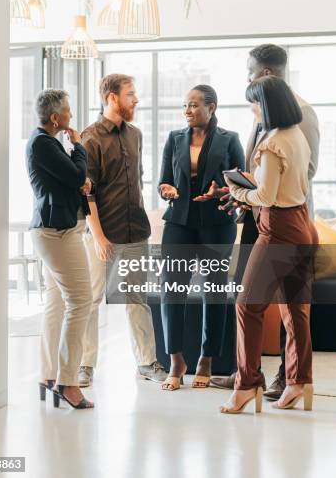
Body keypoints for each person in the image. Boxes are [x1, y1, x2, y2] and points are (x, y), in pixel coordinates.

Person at [212, 44, 320, 400]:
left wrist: (243, 193)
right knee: (294, 310)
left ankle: (248, 383)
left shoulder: (280, 136)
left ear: (267, 81)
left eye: (252, 96)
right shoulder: (290, 133)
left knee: (246, 304)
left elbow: (271, 192)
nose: (251, 104)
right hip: (298, 220)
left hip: (277, 222)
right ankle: (298, 381)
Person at [78, 74, 167, 387]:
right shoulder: (90, 139)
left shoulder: (136, 135)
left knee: (137, 299)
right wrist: (99, 237)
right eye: (131, 94)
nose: (136, 99)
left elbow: (137, 183)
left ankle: (147, 362)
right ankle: (84, 365)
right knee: (91, 300)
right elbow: (86, 193)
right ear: (112, 97)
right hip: (103, 235)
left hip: (136, 232)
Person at [158, 85, 245, 391]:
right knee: (172, 291)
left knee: (215, 291)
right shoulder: (174, 138)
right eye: (185, 105)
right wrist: (166, 189)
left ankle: (206, 359)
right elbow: (163, 181)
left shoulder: (230, 139)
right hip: (179, 223)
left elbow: (242, 185)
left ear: (212, 107)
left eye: (194, 105)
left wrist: (220, 190)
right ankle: (176, 359)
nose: (188, 110)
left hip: (217, 224)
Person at [27, 89, 94, 410]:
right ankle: (68, 381)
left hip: (56, 229)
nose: (70, 115)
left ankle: (48, 375)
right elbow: (76, 174)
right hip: (58, 232)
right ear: (55, 118)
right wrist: (79, 146)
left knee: (57, 302)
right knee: (80, 302)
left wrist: (80, 181)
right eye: (67, 111)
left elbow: (72, 181)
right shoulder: (43, 142)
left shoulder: (48, 143)